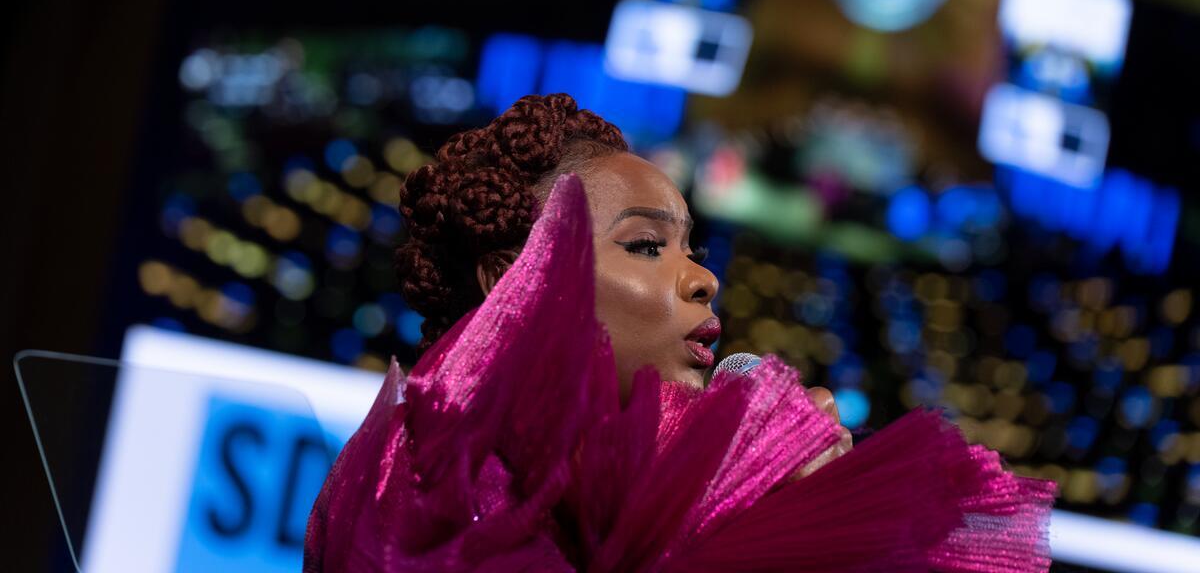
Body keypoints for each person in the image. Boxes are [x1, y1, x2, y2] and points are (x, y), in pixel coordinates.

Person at [303, 93, 1056, 572]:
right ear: (514, 280)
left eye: (692, 247)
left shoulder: (638, 499)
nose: (702, 279)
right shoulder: (427, 495)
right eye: (644, 246)